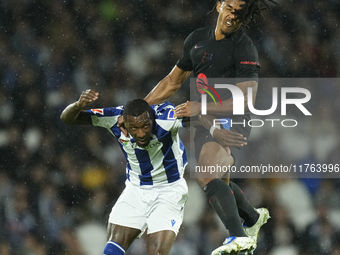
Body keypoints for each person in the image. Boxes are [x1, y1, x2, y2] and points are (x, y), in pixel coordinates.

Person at [142, 0, 277, 254]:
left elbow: (247, 99)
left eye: (239, 13)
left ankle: (239, 237)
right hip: (204, 118)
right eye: (230, 8)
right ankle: (251, 217)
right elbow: (171, 82)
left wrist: (201, 108)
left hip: (232, 116)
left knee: (206, 171)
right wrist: (140, 107)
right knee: (216, 180)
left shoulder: (243, 47)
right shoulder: (197, 40)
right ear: (219, 5)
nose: (232, 16)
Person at [60, 89, 248, 255]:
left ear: (152, 119)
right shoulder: (113, 118)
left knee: (156, 251)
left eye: (145, 126)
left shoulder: (166, 117)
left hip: (169, 191)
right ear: (124, 122)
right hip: (136, 190)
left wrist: (216, 132)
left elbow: (199, 115)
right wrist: (78, 105)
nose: (141, 133)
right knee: (111, 250)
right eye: (134, 128)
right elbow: (67, 118)